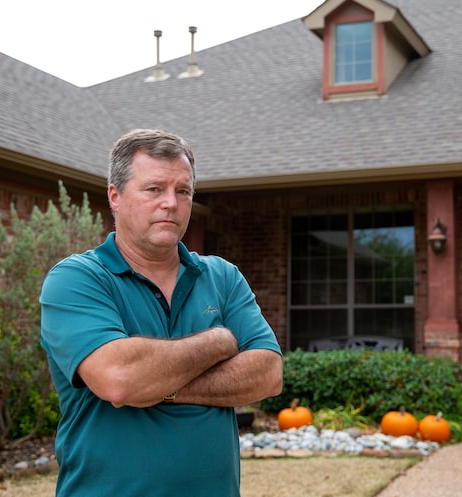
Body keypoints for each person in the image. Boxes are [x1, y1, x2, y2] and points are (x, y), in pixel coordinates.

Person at [40, 128, 283, 496]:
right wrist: (221, 341)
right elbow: (120, 379)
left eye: (182, 191)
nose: (171, 202)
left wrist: (158, 387)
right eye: (154, 189)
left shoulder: (222, 276)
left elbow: (268, 374)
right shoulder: (77, 279)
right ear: (115, 196)